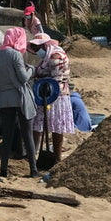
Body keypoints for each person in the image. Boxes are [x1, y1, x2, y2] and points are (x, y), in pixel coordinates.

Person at [0, 28, 38, 178]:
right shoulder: (15, 54)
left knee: (7, 136)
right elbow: (23, 78)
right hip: (20, 98)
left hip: (4, 99)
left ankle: (3, 170)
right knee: (27, 135)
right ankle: (33, 170)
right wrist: (31, 69)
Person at [28, 33, 75, 164]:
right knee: (42, 126)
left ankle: (54, 157)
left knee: (53, 127)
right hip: (46, 94)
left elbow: (55, 80)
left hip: (54, 97)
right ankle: (35, 155)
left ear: (45, 45)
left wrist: (45, 95)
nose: (36, 51)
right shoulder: (48, 56)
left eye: (38, 47)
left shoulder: (56, 57)